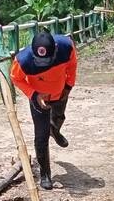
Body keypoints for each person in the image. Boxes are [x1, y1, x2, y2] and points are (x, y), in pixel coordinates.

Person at [10, 31, 77, 190]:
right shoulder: (23, 60)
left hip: (60, 92)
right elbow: (15, 78)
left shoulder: (66, 47)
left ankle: (55, 129)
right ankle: (45, 173)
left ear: (55, 49)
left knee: (60, 116)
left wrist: (68, 86)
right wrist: (34, 95)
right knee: (41, 136)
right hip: (39, 99)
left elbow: (72, 64)